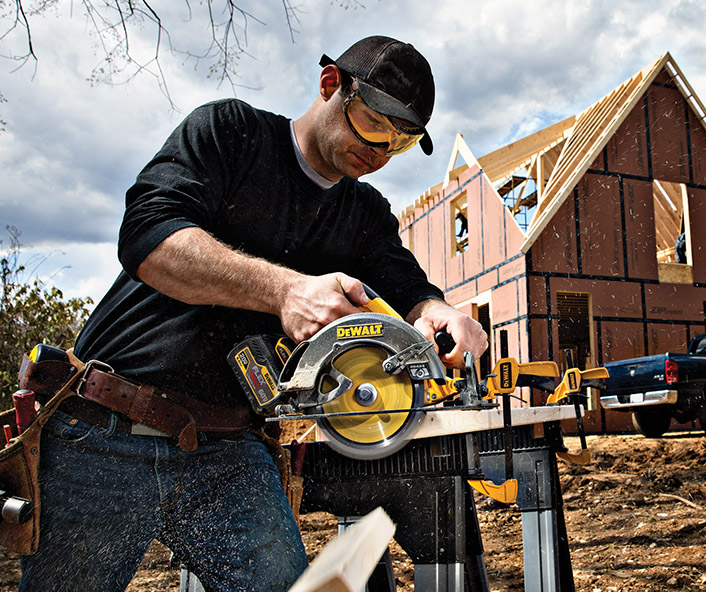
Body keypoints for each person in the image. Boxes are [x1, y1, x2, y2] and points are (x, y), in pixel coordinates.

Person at [19, 36, 488, 592]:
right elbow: (149, 239)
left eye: (402, 142)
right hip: (106, 431)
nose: (381, 150)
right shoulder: (231, 133)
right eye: (374, 123)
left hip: (228, 452)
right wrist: (286, 291)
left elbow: (410, 286)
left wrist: (440, 312)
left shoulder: (363, 212)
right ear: (331, 85)